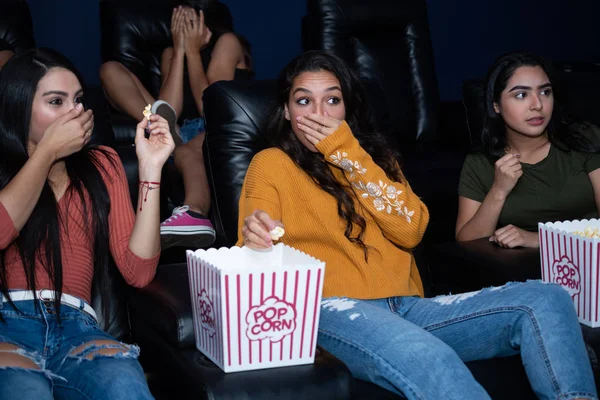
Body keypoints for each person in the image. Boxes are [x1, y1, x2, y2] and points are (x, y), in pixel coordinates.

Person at [237, 51, 596, 400]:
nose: (319, 114)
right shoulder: (271, 164)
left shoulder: (375, 161)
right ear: (286, 111)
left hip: (408, 308)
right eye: (304, 102)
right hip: (330, 311)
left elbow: (411, 230)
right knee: (430, 355)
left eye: (332, 100)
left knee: (547, 298)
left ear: (346, 110)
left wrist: (346, 153)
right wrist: (257, 238)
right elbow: (250, 250)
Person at [0, 48, 175, 399]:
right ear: (19, 106)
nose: (74, 112)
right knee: (26, 391)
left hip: (78, 328)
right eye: (56, 101)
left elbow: (137, 271)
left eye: (78, 100)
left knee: (124, 386)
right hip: (8, 322)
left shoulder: (102, 163)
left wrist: (151, 168)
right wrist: (47, 152)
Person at [100, 0, 252, 250]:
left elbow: (211, 106)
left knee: (184, 150)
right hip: (179, 129)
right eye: (178, 22)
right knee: (110, 69)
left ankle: (194, 213)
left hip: (217, 125)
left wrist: (192, 52)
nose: (183, 27)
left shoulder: (228, 43)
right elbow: (170, 107)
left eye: (189, 22)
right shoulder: (170, 52)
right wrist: (179, 51)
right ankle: (160, 129)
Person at [456, 51, 600, 248]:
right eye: (521, 95)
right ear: (496, 105)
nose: (538, 105)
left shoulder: (584, 139)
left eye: (545, 92)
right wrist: (498, 191)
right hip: (525, 272)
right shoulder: (479, 163)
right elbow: (467, 242)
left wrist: (538, 239)